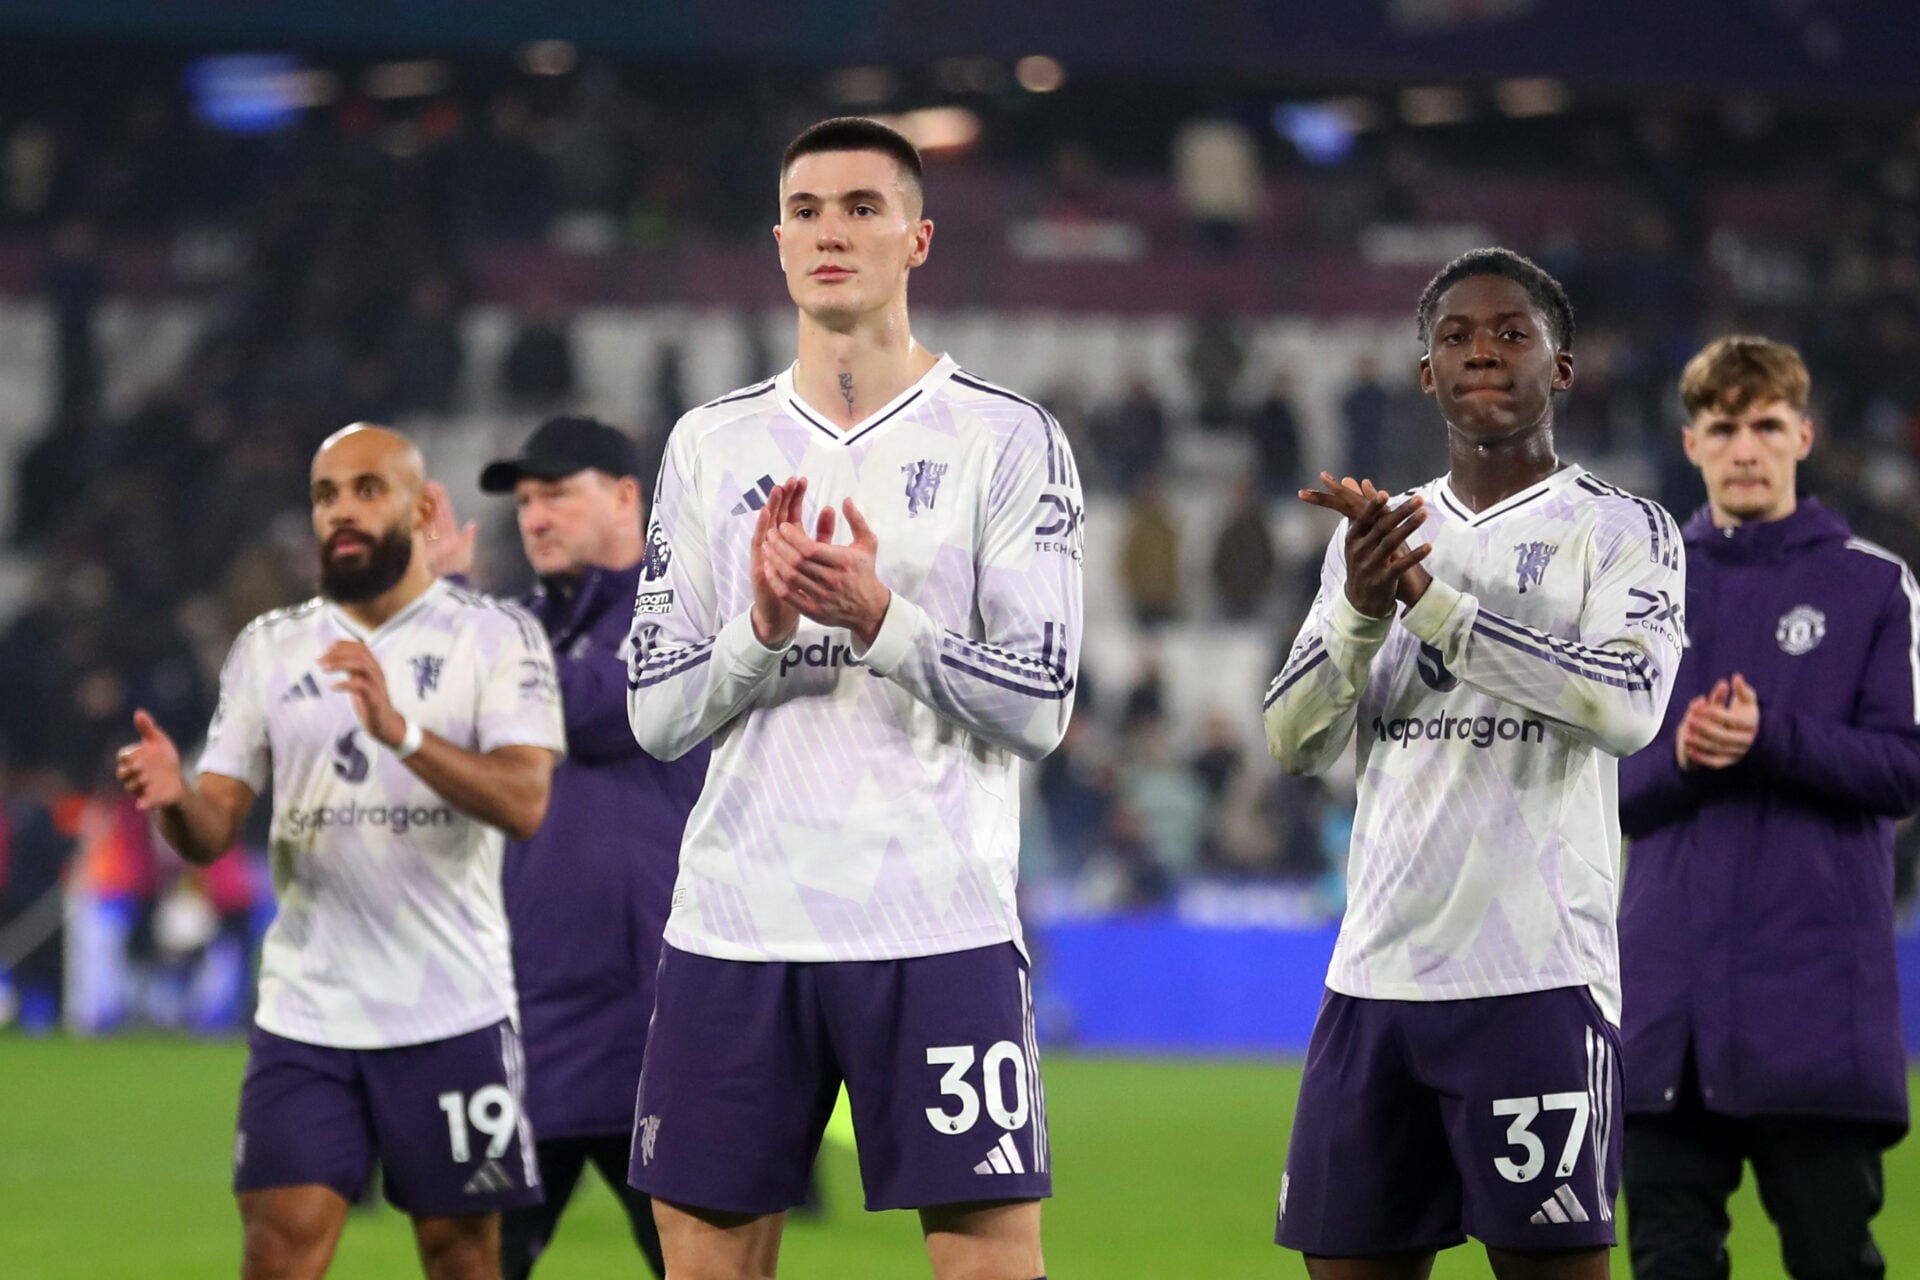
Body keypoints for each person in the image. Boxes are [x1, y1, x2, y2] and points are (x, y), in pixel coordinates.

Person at [623, 116, 1082, 1280]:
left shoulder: (1006, 438)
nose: (832, 231)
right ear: (778, 241)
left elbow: (1041, 707)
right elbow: (655, 717)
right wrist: (762, 633)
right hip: (736, 925)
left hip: (937, 922)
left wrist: (883, 620)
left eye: (863, 207)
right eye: (808, 210)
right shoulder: (709, 443)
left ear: (918, 239)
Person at [1262, 247, 1685, 1276]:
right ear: (1426, 373)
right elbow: (1293, 740)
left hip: (1535, 978)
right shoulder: (1376, 538)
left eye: (1509, 333)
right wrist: (1361, 610)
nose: (1481, 352)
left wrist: (1436, 606)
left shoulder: (1622, 530)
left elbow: (1626, 708)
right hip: (1374, 980)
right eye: (1455, 337)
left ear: (1562, 366)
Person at [114, 423, 565, 1280]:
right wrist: (175, 800)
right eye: (325, 496)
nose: (342, 511)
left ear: (422, 509)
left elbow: (524, 802)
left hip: (452, 1010)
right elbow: (213, 830)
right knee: (278, 1247)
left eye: (367, 490)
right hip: (307, 1014)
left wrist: (403, 733)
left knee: (463, 1257)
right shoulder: (269, 648)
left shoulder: (494, 638)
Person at [1616, 336, 1917, 1280]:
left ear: (1804, 435)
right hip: (1667, 1013)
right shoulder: (1639, 591)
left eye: (1766, 426)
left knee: (1833, 1264)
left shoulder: (1872, 585)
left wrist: (1769, 738)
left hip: (1816, 1006)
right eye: (1723, 428)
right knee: (1668, 1264)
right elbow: (1595, 792)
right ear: (1691, 444)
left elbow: (1905, 769)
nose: (1745, 448)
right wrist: (1685, 758)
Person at [467, 416, 710, 1279]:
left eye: (556, 495)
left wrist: (455, 638)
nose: (534, 517)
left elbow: (608, 708)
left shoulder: (680, 610)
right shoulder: (518, 628)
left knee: (699, 1264)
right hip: (530, 1008)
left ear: (624, 497)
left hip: (656, 1012)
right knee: (475, 1260)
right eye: (524, 502)